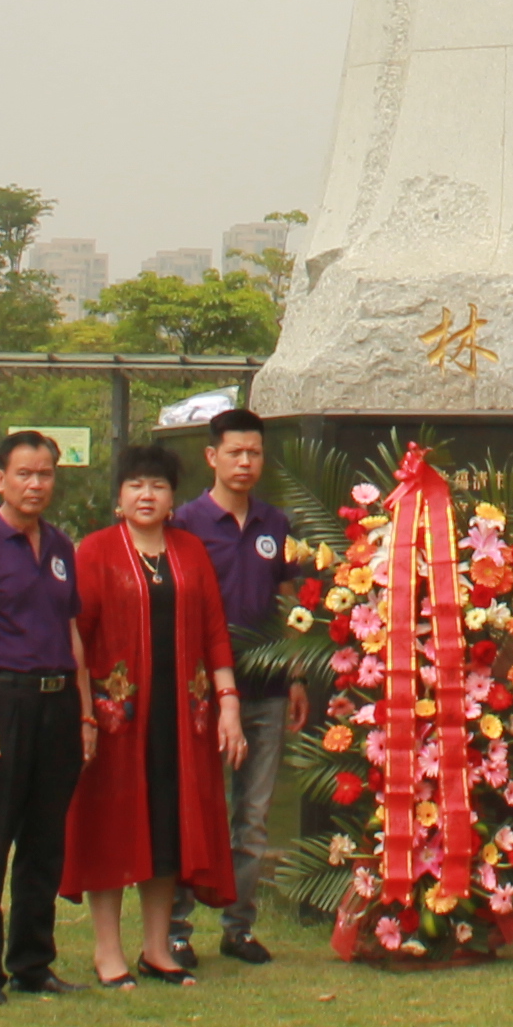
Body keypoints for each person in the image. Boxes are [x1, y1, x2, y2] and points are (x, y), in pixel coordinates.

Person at [63, 447, 243, 987]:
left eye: (159, 486)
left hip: (182, 720)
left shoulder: (189, 551)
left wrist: (228, 701)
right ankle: (107, 952)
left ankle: (156, 948)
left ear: (172, 499)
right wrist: (82, 715)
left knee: (167, 828)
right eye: (136, 485)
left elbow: (214, 629)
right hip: (117, 719)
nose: (147, 495)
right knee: (112, 827)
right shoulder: (95, 552)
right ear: (119, 497)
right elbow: (76, 638)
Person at [0, 434, 82, 1006]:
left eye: (46, 473)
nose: (36, 484)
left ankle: (33, 961)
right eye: (24, 473)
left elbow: (72, 630)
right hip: (1, 701)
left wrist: (87, 708)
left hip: (58, 702)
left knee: (45, 841)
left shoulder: (59, 546)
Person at [174, 406, 295, 966]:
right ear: (211, 457)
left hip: (266, 691)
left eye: (254, 454)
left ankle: (238, 927)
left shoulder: (277, 525)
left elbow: (293, 608)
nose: (245, 463)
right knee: (197, 809)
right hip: (199, 693)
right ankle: (176, 929)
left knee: (252, 816)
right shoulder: (184, 525)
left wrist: (294, 675)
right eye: (234, 453)